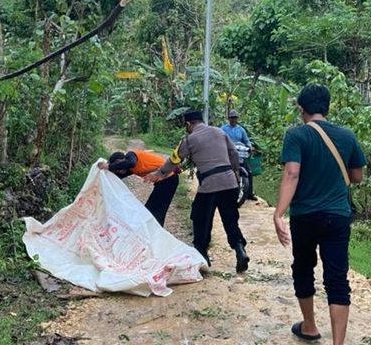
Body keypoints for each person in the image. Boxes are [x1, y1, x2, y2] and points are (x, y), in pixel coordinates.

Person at [273, 84, 367, 345]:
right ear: (328, 107)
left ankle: (310, 327)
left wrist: (278, 213)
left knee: (303, 268)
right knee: (336, 279)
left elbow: (292, 172)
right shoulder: (347, 136)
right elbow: (358, 176)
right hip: (337, 217)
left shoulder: (296, 135)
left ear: (302, 109)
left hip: (304, 216)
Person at [145, 110, 250, 273]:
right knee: (230, 218)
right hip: (230, 183)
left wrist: (159, 174)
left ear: (188, 124)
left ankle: (202, 254)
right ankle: (239, 249)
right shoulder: (219, 131)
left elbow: (175, 159)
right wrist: (235, 173)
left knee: (200, 218)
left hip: (209, 185)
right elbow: (234, 153)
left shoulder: (189, 139)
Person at [98, 150, 179, 226]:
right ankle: (153, 232)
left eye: (118, 166)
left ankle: (154, 234)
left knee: (154, 211)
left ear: (121, 160)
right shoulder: (130, 169)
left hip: (169, 178)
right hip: (165, 181)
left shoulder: (131, 155)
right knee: (152, 209)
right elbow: (116, 178)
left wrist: (109, 166)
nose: (119, 170)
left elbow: (131, 163)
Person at [221, 109, 257, 201]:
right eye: (232, 118)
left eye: (235, 118)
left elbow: (246, 140)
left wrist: (249, 146)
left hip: (239, 155)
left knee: (249, 172)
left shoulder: (241, 130)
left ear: (237, 119)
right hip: (227, 155)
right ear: (228, 118)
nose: (233, 120)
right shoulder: (223, 129)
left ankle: (249, 193)